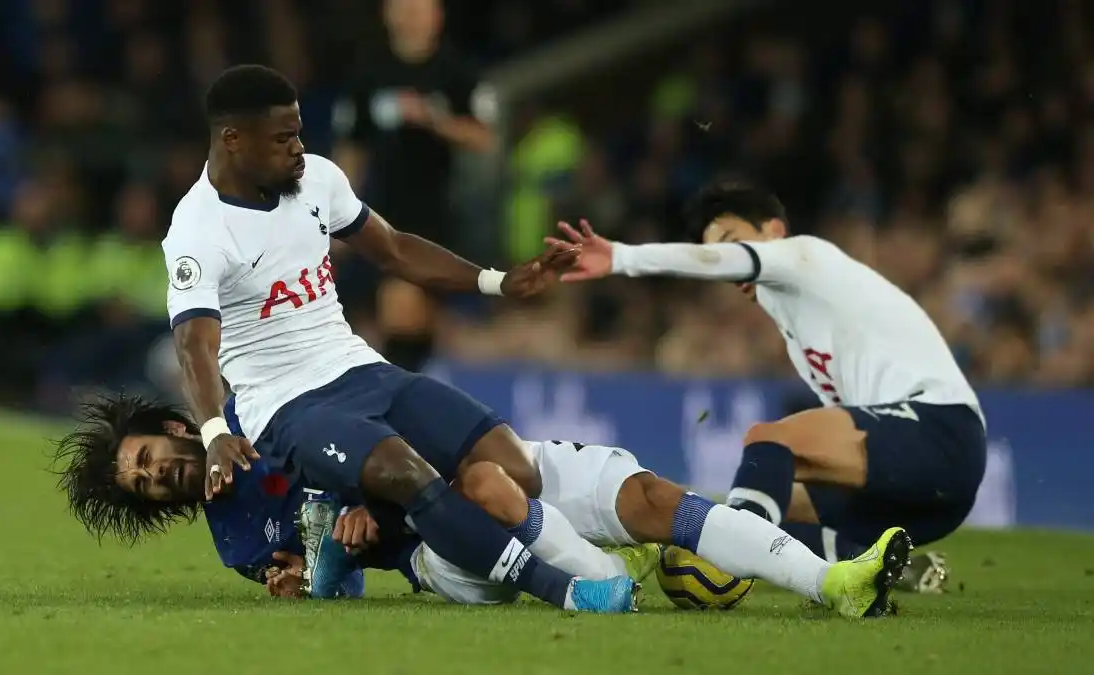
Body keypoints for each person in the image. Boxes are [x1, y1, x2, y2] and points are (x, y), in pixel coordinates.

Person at [162, 63, 635, 614]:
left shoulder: (317, 179)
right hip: (287, 405)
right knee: (405, 474)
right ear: (233, 140)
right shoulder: (197, 230)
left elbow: (394, 248)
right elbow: (195, 344)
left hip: (361, 368)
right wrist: (214, 430)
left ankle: (348, 538)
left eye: (299, 133)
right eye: (283, 138)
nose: (298, 148)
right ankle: (570, 592)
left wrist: (496, 281)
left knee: (514, 466)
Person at [51, 393, 909, 618]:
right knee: (486, 492)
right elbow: (337, 589)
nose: (157, 475)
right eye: (143, 484)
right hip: (441, 554)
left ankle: (833, 580)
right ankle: (606, 581)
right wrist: (325, 564)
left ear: (175, 428)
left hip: (483, 454)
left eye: (148, 458)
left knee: (650, 494)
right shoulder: (237, 540)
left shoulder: (264, 402)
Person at [547, 181, 985, 585]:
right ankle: (887, 567)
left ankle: (727, 556)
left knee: (770, 441)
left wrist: (622, 257)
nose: (726, 265)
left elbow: (721, 263)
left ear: (773, 231)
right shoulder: (802, 328)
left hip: (941, 432)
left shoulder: (804, 254)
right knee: (777, 498)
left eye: (731, 243)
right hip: (928, 499)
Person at [333, 0, 496, 371]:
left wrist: (435, 120)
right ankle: (409, 381)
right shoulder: (369, 73)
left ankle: (407, 380)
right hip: (380, 216)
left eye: (420, 7)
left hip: (441, 215)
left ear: (438, 14)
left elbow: (484, 138)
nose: (410, 14)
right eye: (403, 6)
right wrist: (334, 210)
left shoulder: (457, 72)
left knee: (405, 312)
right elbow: (352, 148)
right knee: (395, 311)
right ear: (387, 12)